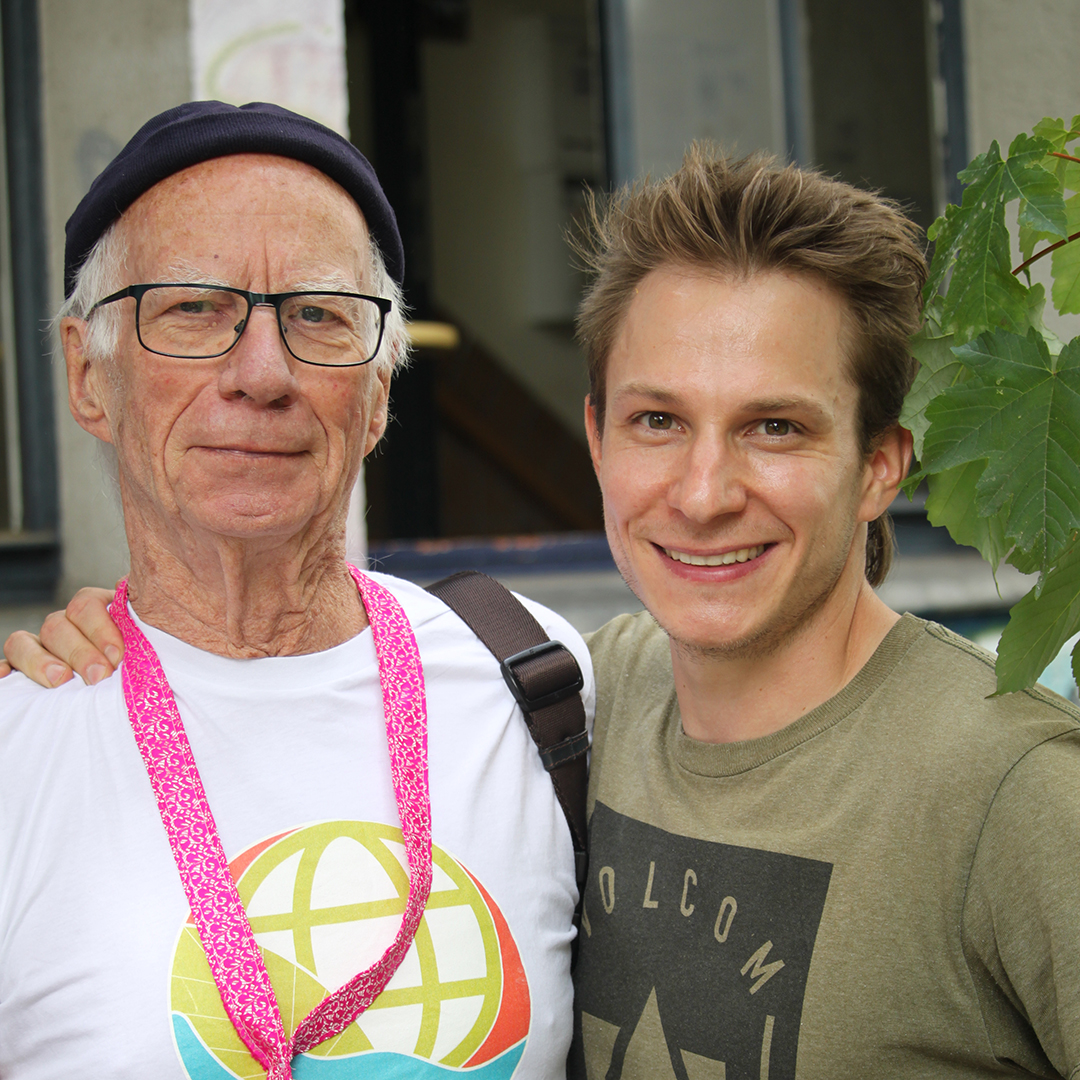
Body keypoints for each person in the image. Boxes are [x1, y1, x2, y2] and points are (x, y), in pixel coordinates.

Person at [10, 147, 1080, 1078]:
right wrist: (109, 667)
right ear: (597, 438)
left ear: (881, 465)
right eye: (658, 420)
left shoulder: (1019, 794)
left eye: (776, 428)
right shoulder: (589, 686)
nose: (705, 493)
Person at [0, 100, 593, 1079]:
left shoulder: (538, 686)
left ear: (379, 393)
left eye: (318, 315)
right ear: (87, 374)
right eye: (193, 308)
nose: (262, 373)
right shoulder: (22, 751)